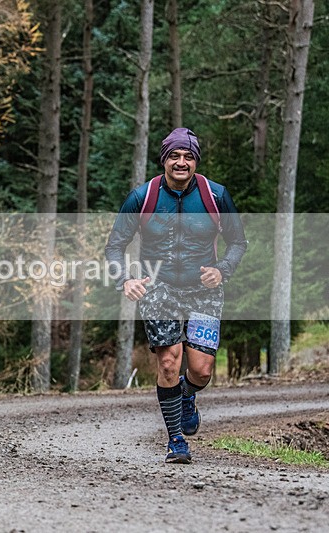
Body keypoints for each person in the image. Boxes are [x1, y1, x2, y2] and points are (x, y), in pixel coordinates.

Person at [105, 128, 247, 464]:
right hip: (159, 287)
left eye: (188, 156)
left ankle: (186, 395)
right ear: (164, 160)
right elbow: (114, 247)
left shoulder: (216, 195)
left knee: (202, 371)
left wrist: (222, 270)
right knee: (169, 360)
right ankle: (175, 441)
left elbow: (238, 242)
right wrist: (125, 279)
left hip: (204, 289)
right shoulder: (142, 197)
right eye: (174, 156)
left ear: (195, 161)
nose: (181, 162)